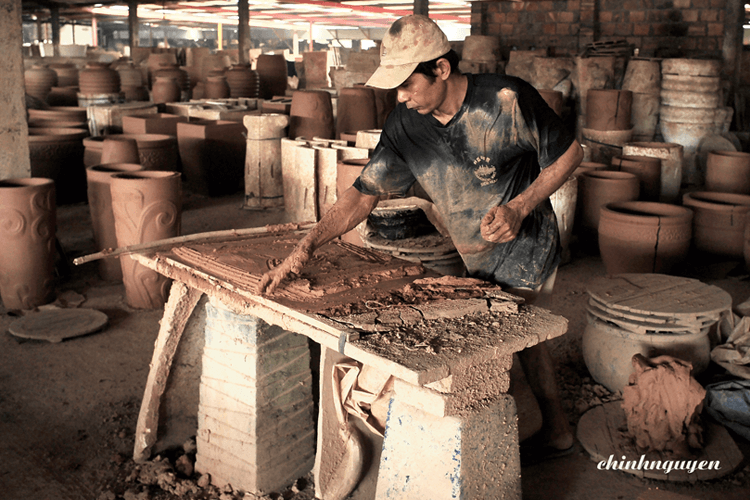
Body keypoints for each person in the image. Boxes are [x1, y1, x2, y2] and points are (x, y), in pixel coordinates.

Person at [259, 15, 582, 460]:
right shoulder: (406, 126)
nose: (401, 96)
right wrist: (306, 246)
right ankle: (532, 425)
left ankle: (516, 441)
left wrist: (520, 207)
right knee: (517, 339)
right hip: (473, 248)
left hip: (525, 241)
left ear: (442, 70)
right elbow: (361, 196)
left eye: (408, 84)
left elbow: (569, 154)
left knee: (506, 333)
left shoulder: (507, 99)